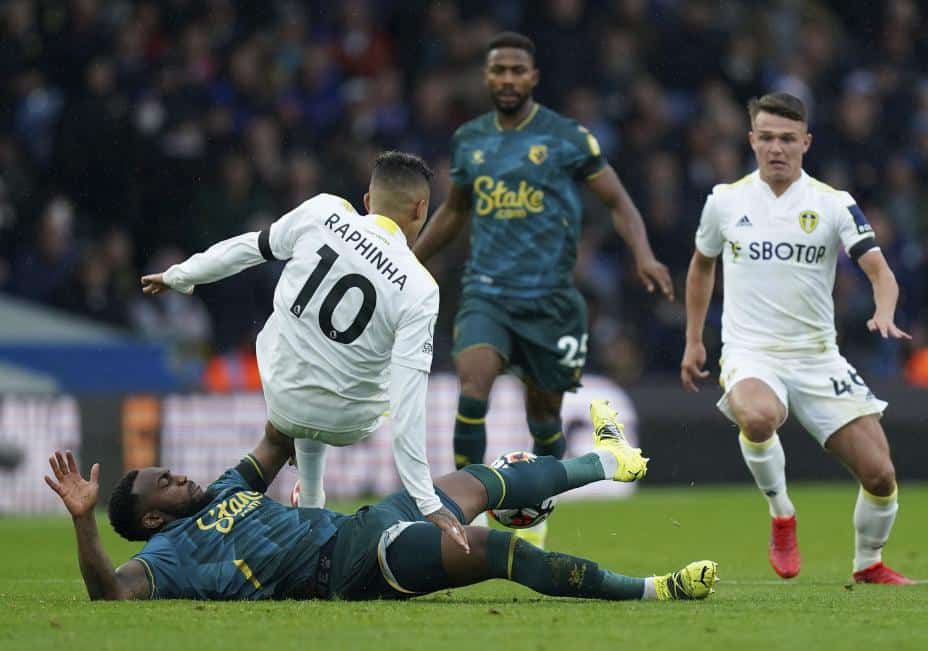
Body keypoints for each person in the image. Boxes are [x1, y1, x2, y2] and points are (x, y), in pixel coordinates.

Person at [44, 400, 718, 602]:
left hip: (366, 523)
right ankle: (654, 590)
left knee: (480, 480)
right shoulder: (167, 556)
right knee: (497, 550)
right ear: (153, 517)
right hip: (351, 566)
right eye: (165, 482)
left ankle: (606, 460)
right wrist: (82, 520)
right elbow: (109, 592)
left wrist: (311, 365)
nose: (179, 476)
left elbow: (277, 435)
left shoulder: (225, 489)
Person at [412, 32, 672, 547]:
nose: (507, 79)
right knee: (473, 386)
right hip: (486, 292)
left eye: (517, 70)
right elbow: (455, 210)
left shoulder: (567, 138)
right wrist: (410, 260)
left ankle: (539, 510)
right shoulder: (470, 140)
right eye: (499, 70)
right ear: (487, 77)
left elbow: (618, 201)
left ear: (533, 77)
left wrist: (643, 253)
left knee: (544, 414)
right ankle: (471, 515)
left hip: (549, 299)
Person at [141, 151, 467, 551]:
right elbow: (409, 404)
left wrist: (180, 275)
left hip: (282, 394)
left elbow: (249, 247)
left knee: (300, 335)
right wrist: (427, 500)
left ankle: (310, 495)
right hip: (348, 422)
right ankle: (311, 506)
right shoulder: (421, 287)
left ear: (367, 201)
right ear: (421, 209)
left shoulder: (324, 212)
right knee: (363, 366)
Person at [680, 92, 913, 585]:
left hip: (818, 357)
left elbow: (880, 270)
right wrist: (694, 339)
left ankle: (868, 564)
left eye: (787, 139)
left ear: (806, 142)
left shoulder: (833, 203)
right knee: (758, 416)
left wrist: (883, 310)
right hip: (751, 352)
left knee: (881, 476)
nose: (776, 148)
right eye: (766, 138)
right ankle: (782, 514)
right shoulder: (725, 201)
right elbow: (701, 266)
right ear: (751, 141)